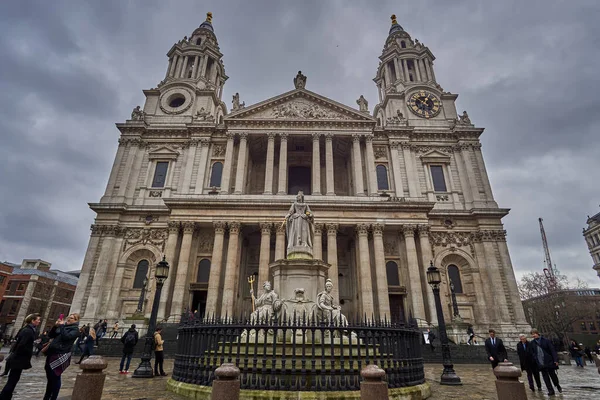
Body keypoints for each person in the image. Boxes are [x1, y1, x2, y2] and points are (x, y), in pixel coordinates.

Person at [0, 313, 40, 399]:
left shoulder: (27, 329)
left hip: (18, 358)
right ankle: (4, 397)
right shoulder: (28, 331)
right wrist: (27, 352)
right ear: (32, 321)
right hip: (19, 359)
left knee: (13, 379)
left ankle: (6, 396)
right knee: (13, 380)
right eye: (38, 320)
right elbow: (22, 345)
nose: (39, 321)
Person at [529, 328, 562, 396]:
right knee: (545, 377)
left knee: (553, 375)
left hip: (549, 361)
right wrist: (536, 359)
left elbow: (552, 350)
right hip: (540, 362)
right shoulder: (532, 343)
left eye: (534, 334)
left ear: (537, 333)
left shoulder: (546, 340)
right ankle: (550, 390)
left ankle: (557, 385)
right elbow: (532, 352)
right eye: (532, 334)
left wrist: (555, 360)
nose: (533, 335)